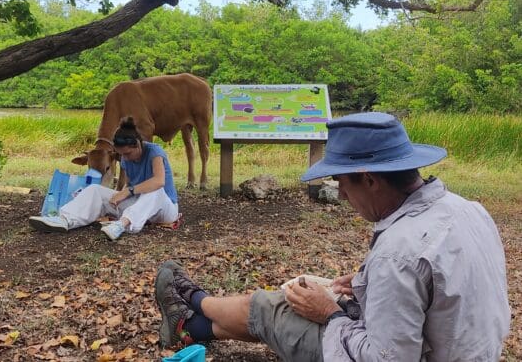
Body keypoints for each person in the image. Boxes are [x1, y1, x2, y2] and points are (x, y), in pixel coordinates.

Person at [154, 112, 510, 361]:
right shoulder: (469, 209)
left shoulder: (398, 253)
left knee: (270, 306)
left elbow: (386, 359)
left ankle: (191, 305)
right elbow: (440, 289)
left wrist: (331, 315)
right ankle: (192, 326)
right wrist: (365, 284)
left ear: (369, 179)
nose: (340, 195)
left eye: (342, 183)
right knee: (298, 300)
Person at [29, 116, 179, 241]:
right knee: (95, 190)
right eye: (122, 155)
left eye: (127, 154)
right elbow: (129, 184)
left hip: (164, 209)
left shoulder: (154, 152)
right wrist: (120, 195)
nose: (124, 158)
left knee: (155, 191)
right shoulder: (126, 159)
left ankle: (121, 225)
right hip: (139, 206)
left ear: (137, 144)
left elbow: (159, 181)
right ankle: (65, 219)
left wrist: (127, 192)